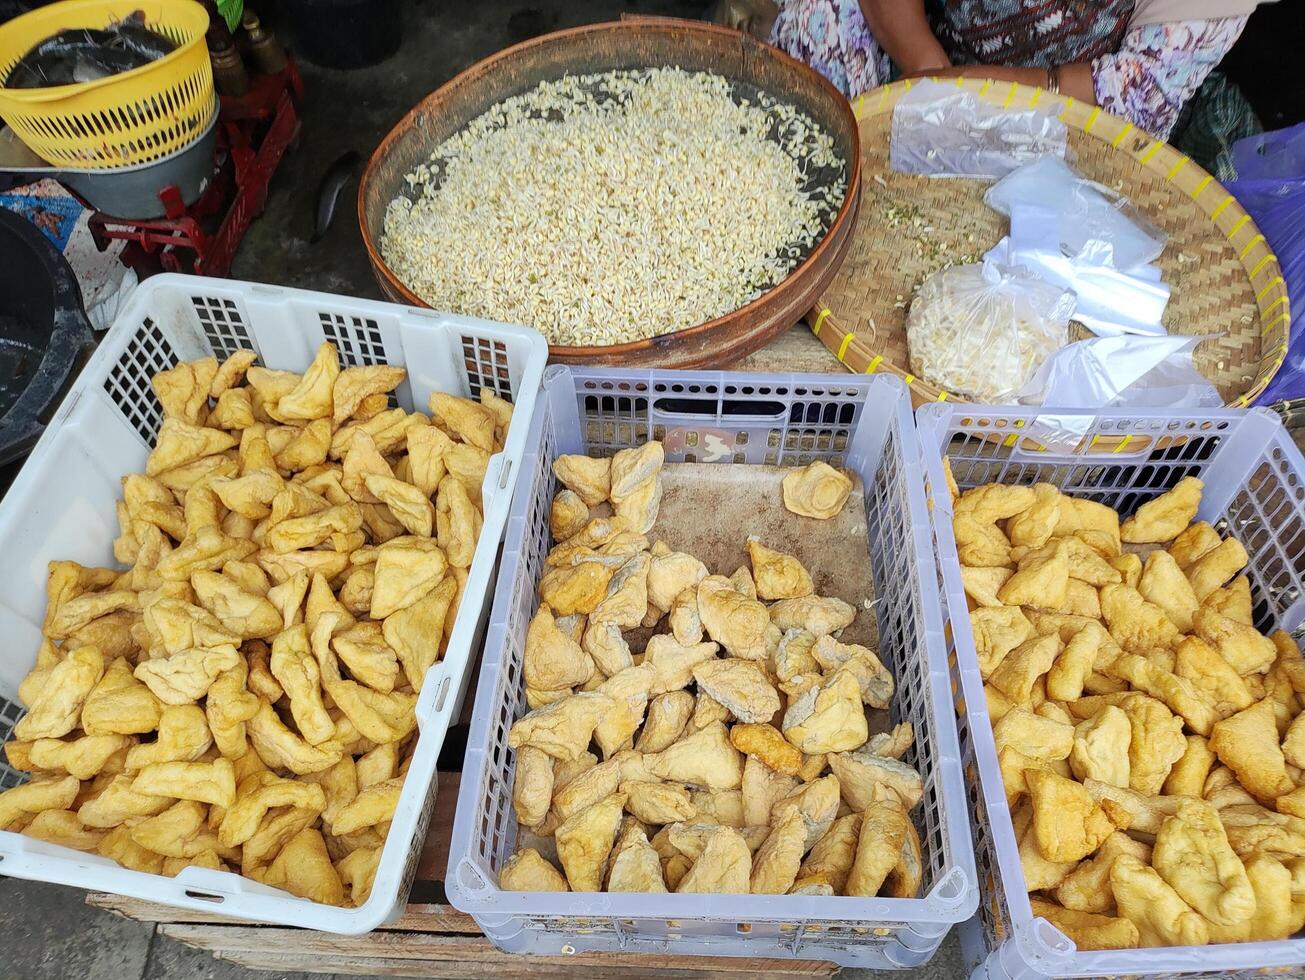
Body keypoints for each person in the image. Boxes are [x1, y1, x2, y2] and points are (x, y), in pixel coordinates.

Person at [769, 0, 1277, 150]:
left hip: (1059, 110)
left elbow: (1136, 95)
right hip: (923, 53)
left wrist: (960, 96)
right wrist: (926, 73)